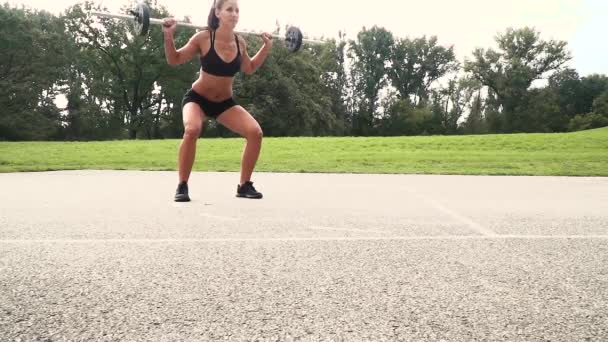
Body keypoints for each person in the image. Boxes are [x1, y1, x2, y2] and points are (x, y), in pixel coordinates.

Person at [162, 0, 272, 202]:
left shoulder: (240, 43)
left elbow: (249, 68)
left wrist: (266, 47)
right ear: (218, 12)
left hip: (224, 103)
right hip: (198, 99)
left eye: (237, 10)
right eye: (229, 9)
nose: (235, 14)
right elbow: (174, 59)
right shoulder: (203, 38)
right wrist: (168, 36)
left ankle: (244, 185)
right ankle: (182, 185)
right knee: (192, 129)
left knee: (255, 133)